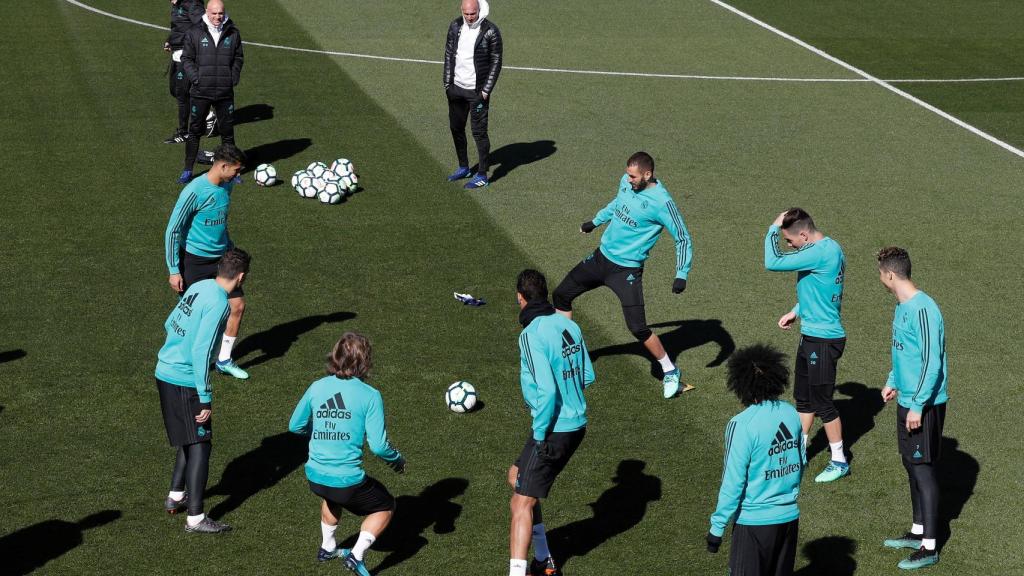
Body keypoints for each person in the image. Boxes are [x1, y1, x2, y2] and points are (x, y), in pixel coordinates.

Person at [553, 151, 693, 399]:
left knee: (638, 328)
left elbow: (682, 236)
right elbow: (617, 204)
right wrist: (595, 222)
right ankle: (569, 357)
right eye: (627, 175)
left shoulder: (662, 203)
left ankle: (670, 371)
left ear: (647, 174)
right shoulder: (626, 183)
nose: (628, 179)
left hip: (626, 270)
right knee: (562, 295)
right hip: (600, 258)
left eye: (633, 176)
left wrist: (681, 273)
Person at [289, 332, 406, 576]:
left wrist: (319, 430)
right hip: (347, 482)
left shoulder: (317, 387)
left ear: (335, 356)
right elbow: (379, 446)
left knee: (333, 496)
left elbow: (295, 426)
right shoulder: (370, 395)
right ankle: (356, 556)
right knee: (386, 505)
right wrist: (397, 459)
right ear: (364, 362)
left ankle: (327, 547)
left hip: (315, 477)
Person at [156, 247, 250, 534]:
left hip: (164, 369)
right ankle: (195, 517)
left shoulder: (199, 286)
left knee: (188, 439)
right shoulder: (220, 303)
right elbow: (202, 351)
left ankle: (176, 495)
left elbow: (170, 322)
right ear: (241, 276)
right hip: (184, 380)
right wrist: (205, 396)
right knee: (201, 444)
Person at [508, 269, 594, 576]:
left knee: (520, 505)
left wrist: (540, 433)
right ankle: (544, 559)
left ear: (521, 299)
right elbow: (587, 376)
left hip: (552, 429)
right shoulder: (568, 325)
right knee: (517, 476)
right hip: (575, 424)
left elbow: (545, 390)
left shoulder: (530, 335)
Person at [763, 208, 849, 483]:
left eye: (789, 240)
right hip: (811, 334)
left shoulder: (819, 252)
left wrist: (771, 228)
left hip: (823, 340)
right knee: (803, 397)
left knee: (823, 403)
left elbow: (772, 262)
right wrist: (796, 311)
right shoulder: (829, 248)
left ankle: (839, 460)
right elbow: (821, 290)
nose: (789, 245)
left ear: (803, 234)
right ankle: (798, 450)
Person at [877, 247, 948, 570]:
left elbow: (932, 363)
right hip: (907, 399)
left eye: (880, 273)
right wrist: (893, 380)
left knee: (922, 468)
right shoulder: (901, 306)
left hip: (925, 404)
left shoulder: (924, 309)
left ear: (890, 275)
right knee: (910, 463)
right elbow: (902, 352)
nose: (880, 278)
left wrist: (918, 405)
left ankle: (930, 547)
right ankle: (918, 531)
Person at [707, 344, 804, 576]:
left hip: (753, 524)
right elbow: (801, 462)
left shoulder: (741, 424)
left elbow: (733, 481)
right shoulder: (790, 413)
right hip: (789, 520)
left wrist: (717, 527)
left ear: (740, 384)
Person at [164, 144, 250, 380]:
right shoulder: (194, 191)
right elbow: (173, 230)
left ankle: (223, 360)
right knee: (196, 316)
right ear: (223, 166)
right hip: (195, 261)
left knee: (237, 306)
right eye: (235, 170)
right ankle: (184, 361)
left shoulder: (227, 185)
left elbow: (219, 219)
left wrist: (227, 243)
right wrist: (174, 270)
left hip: (222, 259)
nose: (237, 175)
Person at [178, 0, 243, 184]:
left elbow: (238, 57)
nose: (217, 17)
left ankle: (232, 172)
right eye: (214, 13)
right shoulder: (194, 33)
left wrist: (232, 78)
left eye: (220, 13)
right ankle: (188, 169)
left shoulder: (233, 33)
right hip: (200, 91)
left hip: (224, 92)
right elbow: (187, 59)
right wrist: (197, 79)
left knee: (227, 132)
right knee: (195, 131)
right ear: (207, 12)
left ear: (224, 13)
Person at [442, 0, 502, 189]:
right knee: (456, 128)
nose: (469, 17)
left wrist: (485, 91)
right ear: (462, 10)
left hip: (477, 92)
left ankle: (482, 174)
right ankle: (463, 167)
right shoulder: (455, 26)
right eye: (466, 13)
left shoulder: (491, 31)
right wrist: (447, 83)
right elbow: (449, 53)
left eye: (472, 14)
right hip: (456, 89)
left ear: (479, 10)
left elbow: (496, 62)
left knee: (479, 133)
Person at [163, 0, 205, 144]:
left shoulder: (192, 4)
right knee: (174, 90)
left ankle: (183, 132)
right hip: (177, 51)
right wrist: (170, 40)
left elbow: (203, 26)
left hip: (186, 54)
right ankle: (207, 114)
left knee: (182, 94)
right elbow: (179, 26)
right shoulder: (176, 5)